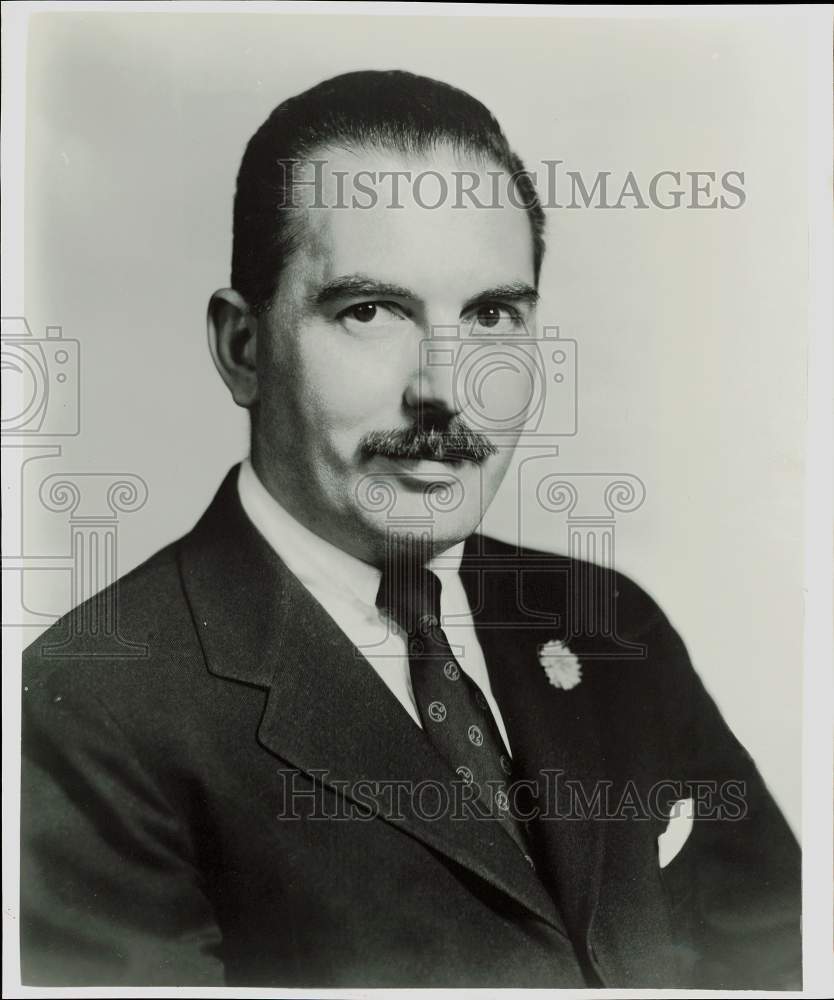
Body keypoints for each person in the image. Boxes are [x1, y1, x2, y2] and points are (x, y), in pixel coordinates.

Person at [20, 69, 801, 989]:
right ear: (243, 349)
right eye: (370, 311)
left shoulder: (609, 622)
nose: (444, 388)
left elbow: (784, 954)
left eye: (491, 315)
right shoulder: (93, 710)